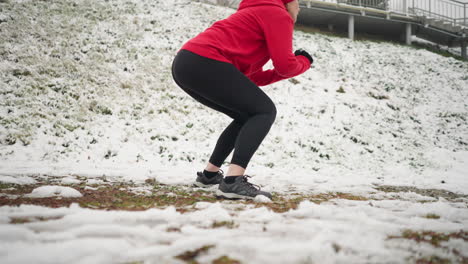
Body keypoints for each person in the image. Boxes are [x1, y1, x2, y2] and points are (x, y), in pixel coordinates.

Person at [171, 0, 313, 200]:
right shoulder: (278, 14)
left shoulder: (255, 13)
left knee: (245, 115)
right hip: (205, 61)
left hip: (186, 63)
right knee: (265, 111)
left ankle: (209, 175)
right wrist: (304, 61)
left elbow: (254, 78)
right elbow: (286, 65)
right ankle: (232, 182)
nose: (300, 8)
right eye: (299, 3)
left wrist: (291, 66)